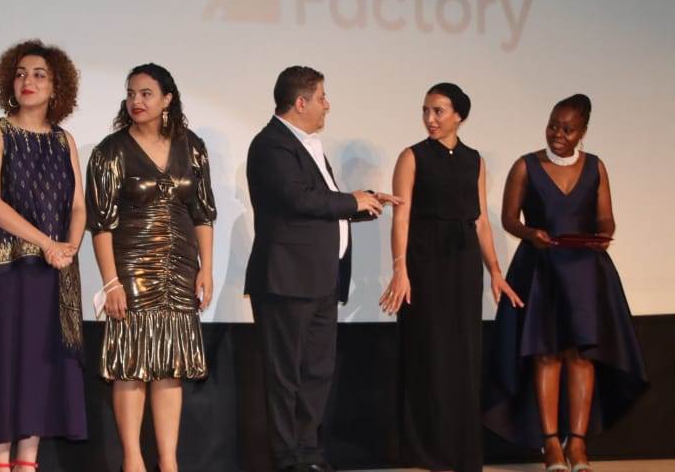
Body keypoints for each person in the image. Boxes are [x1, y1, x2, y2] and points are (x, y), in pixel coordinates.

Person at [245, 65, 400, 472]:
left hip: (320, 279)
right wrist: (352, 200)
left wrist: (366, 202)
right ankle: (287, 459)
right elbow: (298, 198)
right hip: (286, 280)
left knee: (316, 373)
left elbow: (321, 203)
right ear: (301, 103)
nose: (327, 105)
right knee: (285, 376)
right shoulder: (271, 144)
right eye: (322, 97)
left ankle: (309, 453)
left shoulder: (308, 144)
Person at [483, 94, 647, 471]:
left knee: (582, 355)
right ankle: (550, 445)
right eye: (553, 125)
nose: (558, 134)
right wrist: (531, 234)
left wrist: (604, 234)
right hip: (540, 270)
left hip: (585, 272)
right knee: (546, 354)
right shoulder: (525, 166)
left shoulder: (596, 167)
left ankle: (578, 444)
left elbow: (605, 217)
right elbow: (509, 219)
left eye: (568, 129)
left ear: (583, 132)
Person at [380, 82, 523, 472]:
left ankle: (460, 450)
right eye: (425, 110)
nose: (430, 118)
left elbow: (481, 222)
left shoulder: (474, 160)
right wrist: (400, 269)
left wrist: (495, 272)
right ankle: (427, 450)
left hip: (463, 264)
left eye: (438, 111)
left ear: (459, 116)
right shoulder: (412, 156)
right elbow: (401, 218)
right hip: (425, 262)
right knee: (430, 352)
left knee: (462, 355)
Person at [0, 40, 88, 471]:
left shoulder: (64, 140)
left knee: (39, 366)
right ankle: (1, 463)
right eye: (20, 74)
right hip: (6, 271)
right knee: (3, 360)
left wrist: (69, 246)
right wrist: (48, 243)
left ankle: (27, 463)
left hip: (52, 272)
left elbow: (78, 206)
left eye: (38, 74)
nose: (27, 81)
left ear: (56, 86)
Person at [85, 63, 216, 472]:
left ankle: (169, 462)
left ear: (167, 99)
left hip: (180, 269)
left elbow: (203, 213)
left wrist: (206, 268)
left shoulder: (192, 146)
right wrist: (111, 282)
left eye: (145, 93)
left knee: (170, 368)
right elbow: (100, 224)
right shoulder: (109, 151)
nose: (136, 101)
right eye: (130, 93)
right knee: (130, 366)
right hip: (131, 269)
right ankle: (132, 461)